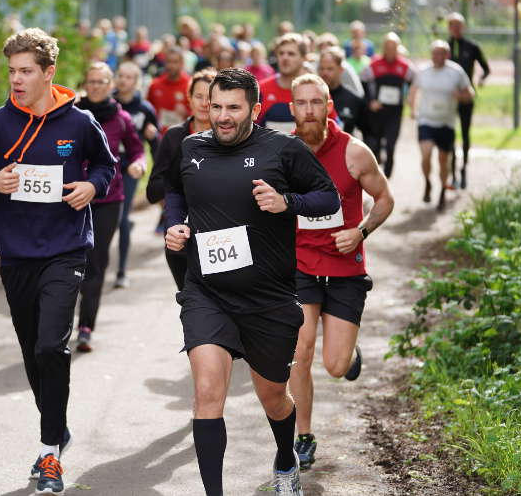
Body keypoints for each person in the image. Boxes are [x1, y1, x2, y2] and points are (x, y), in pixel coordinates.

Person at [164, 68, 339, 496]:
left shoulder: (283, 149)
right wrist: (175, 226)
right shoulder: (190, 147)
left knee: (273, 398)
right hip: (207, 292)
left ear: (255, 110)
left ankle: (285, 458)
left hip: (268, 297)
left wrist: (286, 202)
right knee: (207, 391)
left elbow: (328, 197)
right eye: (215, 106)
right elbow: (175, 192)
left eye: (233, 108)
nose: (221, 116)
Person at [0, 27, 115, 494]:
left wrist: (93, 187)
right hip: (16, 254)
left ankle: (49, 455)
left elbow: (104, 166)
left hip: (65, 250)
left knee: (52, 346)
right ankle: (56, 426)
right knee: (32, 352)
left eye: (26, 71)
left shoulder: (79, 123)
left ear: (49, 73)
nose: (17, 80)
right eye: (12, 71)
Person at [287, 74, 394, 471]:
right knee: (299, 353)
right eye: (302, 103)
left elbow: (384, 198)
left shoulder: (354, 153)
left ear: (329, 106)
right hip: (299, 266)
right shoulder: (282, 152)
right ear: (292, 108)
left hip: (345, 268)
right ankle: (304, 436)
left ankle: (348, 354)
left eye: (317, 102)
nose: (310, 110)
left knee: (334, 366)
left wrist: (361, 230)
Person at [75, 62, 145, 352]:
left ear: (110, 84)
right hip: (72, 198)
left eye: (100, 82)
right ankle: (61, 319)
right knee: (70, 261)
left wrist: (139, 164)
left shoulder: (121, 117)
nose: (94, 86)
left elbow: (137, 148)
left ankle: (86, 326)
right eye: (90, 81)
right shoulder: (72, 114)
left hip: (108, 199)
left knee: (96, 262)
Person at [146, 67, 217, 291]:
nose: (205, 103)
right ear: (189, 99)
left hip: (220, 229)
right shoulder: (175, 136)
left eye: (211, 97)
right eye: (199, 96)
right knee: (192, 298)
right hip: (182, 232)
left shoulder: (230, 136)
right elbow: (153, 190)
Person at [407, 40, 474, 211]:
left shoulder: (456, 72)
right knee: (426, 155)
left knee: (443, 160)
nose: (437, 56)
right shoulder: (423, 71)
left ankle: (443, 191)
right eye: (434, 53)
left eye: (441, 53)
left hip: (446, 123)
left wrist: (459, 95)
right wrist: (412, 109)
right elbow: (413, 91)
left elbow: (470, 94)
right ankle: (428, 182)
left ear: (447, 55)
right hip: (426, 120)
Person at [113, 61, 159, 289]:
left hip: (130, 168)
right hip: (105, 167)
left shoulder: (145, 109)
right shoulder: (107, 103)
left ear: (137, 81)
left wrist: (152, 135)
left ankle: (121, 271)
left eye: (129, 77)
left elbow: (155, 146)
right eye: (120, 75)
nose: (123, 80)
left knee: (121, 218)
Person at [359, 32, 416, 177]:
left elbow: (414, 82)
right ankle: (378, 168)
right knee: (376, 144)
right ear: (383, 48)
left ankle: (389, 168)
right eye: (387, 47)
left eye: (393, 47)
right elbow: (363, 82)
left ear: (398, 48)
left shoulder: (405, 66)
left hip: (395, 111)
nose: (390, 50)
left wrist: (410, 97)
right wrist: (370, 101)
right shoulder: (374, 64)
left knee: (391, 143)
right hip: (377, 111)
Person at [447, 12, 490, 189]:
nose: (456, 29)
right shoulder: (444, 48)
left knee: (465, 134)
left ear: (463, 27)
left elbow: (486, 68)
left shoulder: (472, 47)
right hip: (448, 98)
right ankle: (453, 173)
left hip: (466, 97)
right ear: (449, 28)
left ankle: (464, 169)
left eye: (459, 25)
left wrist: (480, 79)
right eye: (453, 25)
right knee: (449, 134)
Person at [258, 33, 309, 133]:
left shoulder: (317, 90)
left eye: (291, 54)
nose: (285, 57)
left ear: (304, 58)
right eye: (281, 53)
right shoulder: (260, 89)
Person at [318, 47, 367, 136]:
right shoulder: (311, 97)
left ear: (341, 70)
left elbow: (368, 133)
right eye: (321, 68)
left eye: (330, 69)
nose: (324, 73)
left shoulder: (354, 100)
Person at [147, 46, 191, 133]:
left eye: (175, 62)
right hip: (160, 137)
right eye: (168, 62)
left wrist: (187, 113)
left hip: (184, 136)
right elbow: (148, 111)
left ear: (182, 63)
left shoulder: (191, 84)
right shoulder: (155, 85)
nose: (171, 65)